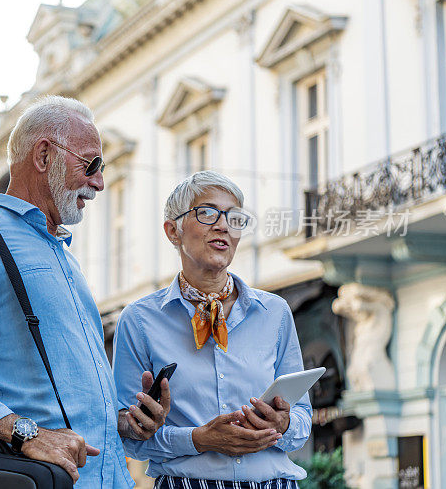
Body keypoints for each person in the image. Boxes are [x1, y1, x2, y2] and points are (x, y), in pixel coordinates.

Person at [0, 95, 170, 488]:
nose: (99, 181)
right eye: (91, 164)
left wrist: (126, 423)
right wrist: (26, 433)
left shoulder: (65, 257)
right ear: (44, 156)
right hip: (36, 481)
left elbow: (66, 401)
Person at [113, 170, 312, 488]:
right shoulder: (139, 320)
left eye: (234, 218)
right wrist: (198, 439)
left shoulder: (274, 313)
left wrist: (284, 424)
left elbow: (303, 419)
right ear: (172, 231)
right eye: (206, 213)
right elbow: (129, 438)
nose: (223, 226)